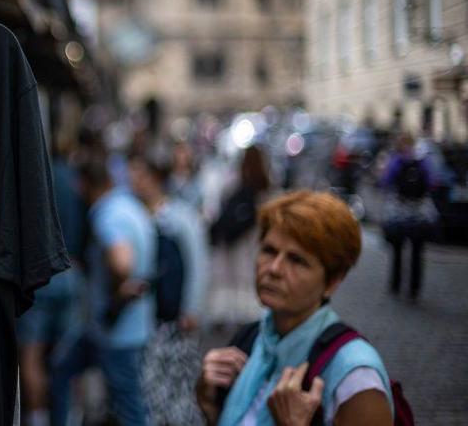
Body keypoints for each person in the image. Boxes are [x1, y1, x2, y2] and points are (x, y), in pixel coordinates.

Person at [196, 191, 394, 426]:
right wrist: (211, 408)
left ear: (332, 282)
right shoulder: (253, 340)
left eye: (297, 260)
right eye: (269, 251)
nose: (274, 269)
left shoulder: (354, 375)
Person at [49, 152, 155, 426]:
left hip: (116, 331)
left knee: (130, 408)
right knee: (63, 369)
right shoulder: (129, 205)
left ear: (84, 184)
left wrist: (117, 294)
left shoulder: (107, 215)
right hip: (117, 328)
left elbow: (122, 263)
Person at [128, 154, 208, 426]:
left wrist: (192, 307)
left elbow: (197, 261)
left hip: (173, 316)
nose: (135, 182)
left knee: (178, 381)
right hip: (144, 318)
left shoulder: (180, 216)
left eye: (141, 176)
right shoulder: (133, 213)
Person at [17, 143, 86, 426]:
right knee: (66, 357)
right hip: (71, 271)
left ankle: (38, 419)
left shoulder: (31, 176)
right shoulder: (72, 178)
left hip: (40, 272)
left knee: (31, 354)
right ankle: (68, 417)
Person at [207, 145, 271, 328]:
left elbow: (220, 207)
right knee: (247, 279)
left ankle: (228, 315)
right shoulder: (265, 186)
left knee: (231, 279)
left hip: (232, 246)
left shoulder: (233, 184)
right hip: (250, 246)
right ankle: (247, 318)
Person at [378, 132, 439, 300]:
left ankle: (396, 284)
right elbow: (432, 182)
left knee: (397, 250)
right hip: (419, 212)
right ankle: (414, 288)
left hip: (399, 210)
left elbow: (385, 182)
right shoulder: (423, 160)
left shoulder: (396, 160)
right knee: (417, 252)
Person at [168, 141, 204, 214]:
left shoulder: (196, 181)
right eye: (179, 152)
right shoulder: (167, 181)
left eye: (183, 152)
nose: (181, 156)